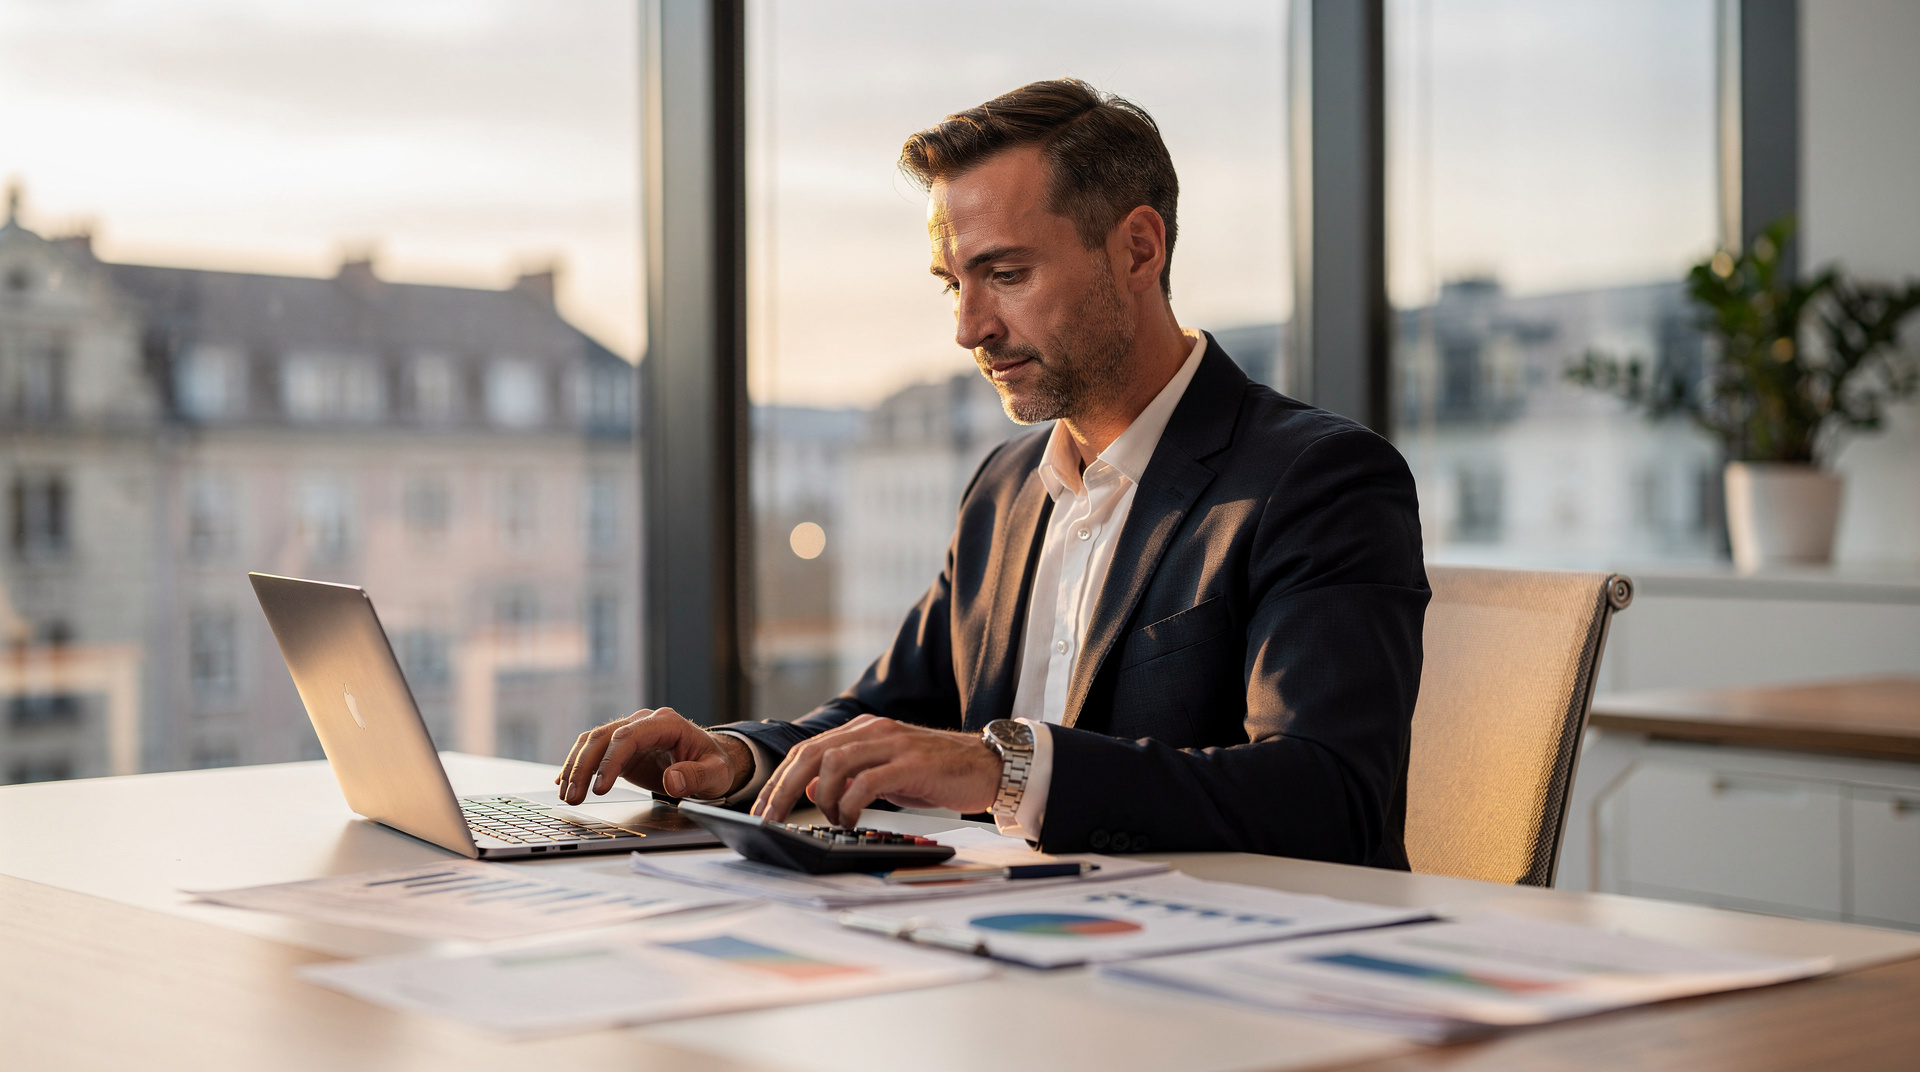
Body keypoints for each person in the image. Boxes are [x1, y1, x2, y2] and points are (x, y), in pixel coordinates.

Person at [559, 78, 1428, 867]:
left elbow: (1329, 797)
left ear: (1137, 250)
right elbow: (888, 713)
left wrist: (1006, 771)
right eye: (953, 285)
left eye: (1005, 274)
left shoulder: (1320, 479)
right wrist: (736, 756)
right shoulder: (1006, 489)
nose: (970, 328)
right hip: (1011, 950)